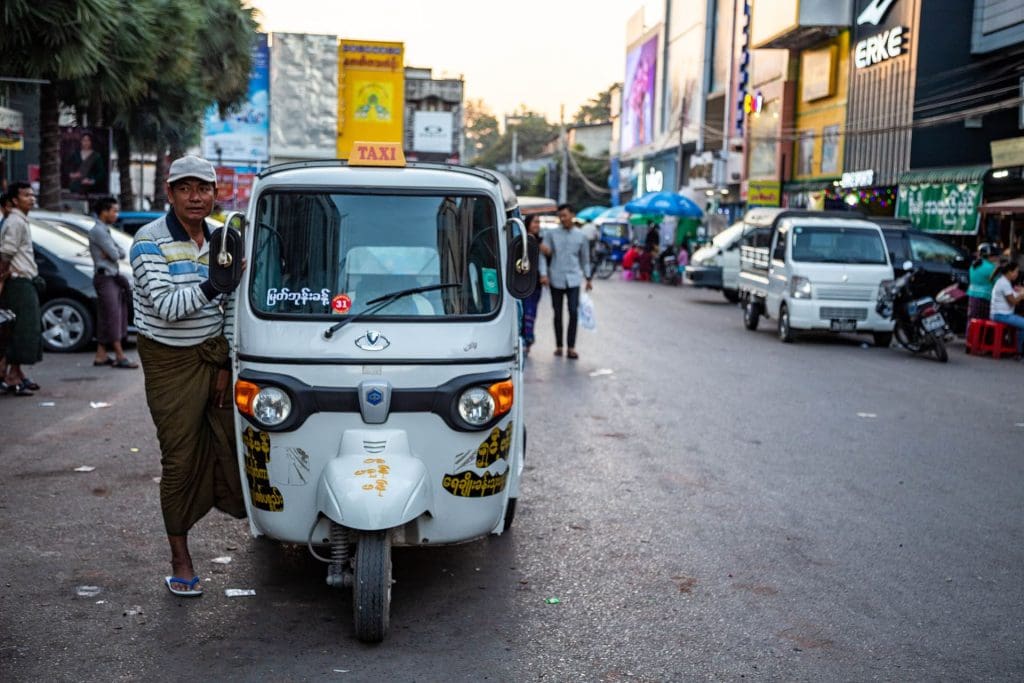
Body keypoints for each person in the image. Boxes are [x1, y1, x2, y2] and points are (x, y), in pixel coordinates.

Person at [131, 155, 245, 596]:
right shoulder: (148, 242)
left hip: (213, 358)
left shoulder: (224, 236)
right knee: (178, 460)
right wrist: (215, 284)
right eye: (185, 188)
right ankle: (181, 557)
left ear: (215, 194)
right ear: (170, 193)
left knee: (234, 444)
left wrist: (223, 364)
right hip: (168, 362)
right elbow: (168, 308)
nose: (195, 197)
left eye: (203, 188)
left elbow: (232, 309)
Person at [0, 182, 42, 396]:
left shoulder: (20, 220)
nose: (32, 198)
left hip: (25, 280)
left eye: (33, 194)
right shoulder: (15, 221)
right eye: (26, 195)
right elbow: (6, 253)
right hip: (18, 282)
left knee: (24, 329)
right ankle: (13, 376)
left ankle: (16, 374)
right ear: (15, 200)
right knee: (22, 330)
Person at [538, 203, 593, 359]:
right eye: (560, 216)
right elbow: (543, 255)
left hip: (574, 279)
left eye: (565, 215)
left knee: (573, 312)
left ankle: (571, 347)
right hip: (556, 278)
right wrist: (543, 274)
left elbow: (585, 260)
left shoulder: (581, 236)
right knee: (557, 313)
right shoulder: (551, 234)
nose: (562, 218)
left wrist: (588, 278)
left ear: (572, 215)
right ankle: (559, 345)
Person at [88, 196, 137, 369]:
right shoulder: (99, 231)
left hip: (111, 276)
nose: (116, 214)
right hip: (105, 277)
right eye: (114, 211)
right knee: (112, 316)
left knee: (107, 315)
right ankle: (120, 355)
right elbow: (116, 255)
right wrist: (112, 253)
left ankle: (101, 355)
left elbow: (121, 252)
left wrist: (111, 252)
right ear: (104, 211)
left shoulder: (105, 230)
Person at [989, 258, 1024, 358]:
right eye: (1016, 271)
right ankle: (1018, 352)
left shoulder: (1004, 281)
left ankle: (1016, 348)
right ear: (1010, 272)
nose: (1017, 274)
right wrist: (1022, 295)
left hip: (1002, 314)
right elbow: (1013, 301)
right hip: (1000, 315)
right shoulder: (1004, 283)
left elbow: (1012, 294)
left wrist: (1019, 291)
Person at [519, 214, 543, 353]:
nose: (537, 225)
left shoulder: (540, 241)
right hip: (523, 281)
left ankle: (528, 339)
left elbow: (543, 262)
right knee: (524, 311)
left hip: (536, 283)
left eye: (539, 222)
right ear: (528, 223)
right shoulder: (521, 239)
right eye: (535, 222)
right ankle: (524, 338)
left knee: (531, 312)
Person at [65, 131, 106, 195]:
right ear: (81, 141)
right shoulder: (75, 155)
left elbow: (101, 173)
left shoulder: (96, 156)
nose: (86, 143)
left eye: (88, 140)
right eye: (84, 140)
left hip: (91, 189)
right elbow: (67, 167)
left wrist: (91, 181)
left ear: (91, 142)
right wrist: (72, 175)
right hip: (75, 187)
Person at [966, 243, 998, 321]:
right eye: (995, 256)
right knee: (982, 322)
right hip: (984, 298)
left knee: (972, 320)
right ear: (990, 256)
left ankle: (969, 333)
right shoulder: (991, 268)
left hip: (972, 295)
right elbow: (997, 283)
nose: (996, 258)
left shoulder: (974, 265)